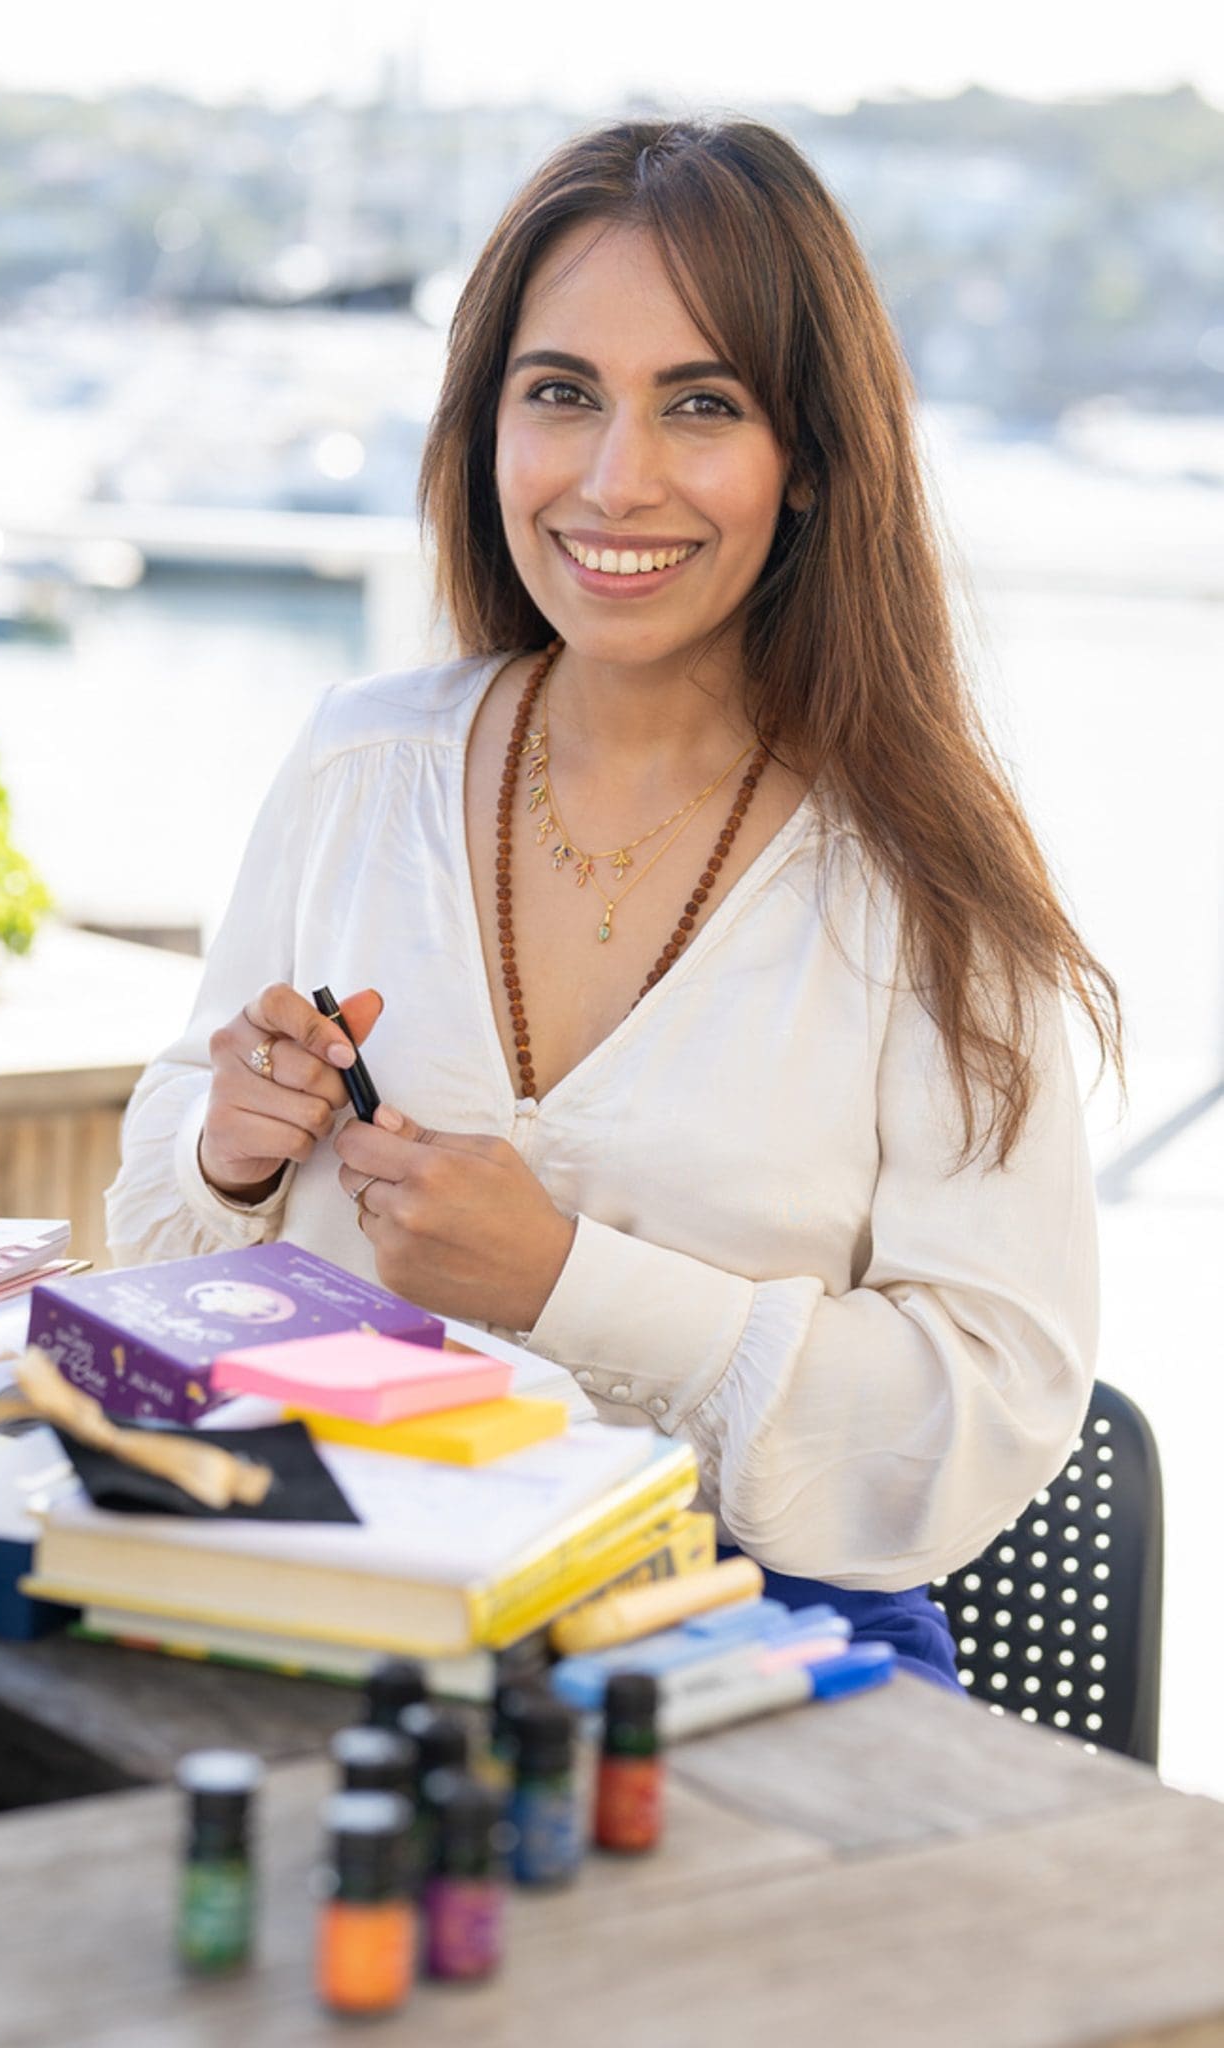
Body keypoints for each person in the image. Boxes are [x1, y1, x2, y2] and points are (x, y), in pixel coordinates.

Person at [106, 119, 1121, 1688]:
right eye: (560, 394)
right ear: (487, 429)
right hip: (330, 1593)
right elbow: (166, 1225)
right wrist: (229, 1152)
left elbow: (987, 1405)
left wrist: (569, 1283)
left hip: (752, 1649)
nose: (612, 478)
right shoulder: (361, 765)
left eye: (699, 406)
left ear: (808, 468)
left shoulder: (928, 890)